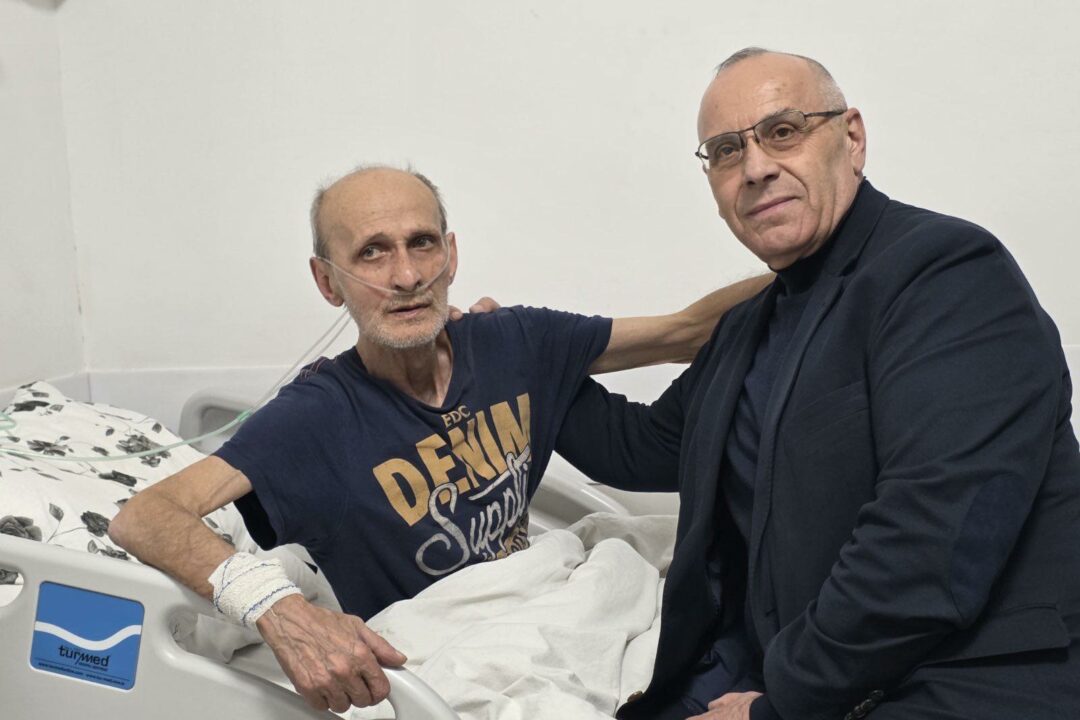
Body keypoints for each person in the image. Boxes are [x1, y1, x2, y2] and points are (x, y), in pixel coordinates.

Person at [109, 165, 769, 714]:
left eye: (421, 243)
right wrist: (279, 611)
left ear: (450, 254)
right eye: (372, 252)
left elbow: (686, 331)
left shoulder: (514, 343)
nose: (405, 276)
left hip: (540, 604)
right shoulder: (316, 416)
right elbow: (146, 516)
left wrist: (813, 261)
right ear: (327, 281)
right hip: (435, 652)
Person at [555, 48, 1080, 720]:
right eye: (725, 151)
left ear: (852, 138)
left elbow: (926, 549)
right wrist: (508, 352)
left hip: (969, 683)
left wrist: (776, 705)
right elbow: (639, 448)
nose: (755, 168)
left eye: (783, 131)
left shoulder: (947, 274)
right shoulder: (748, 328)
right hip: (806, 681)